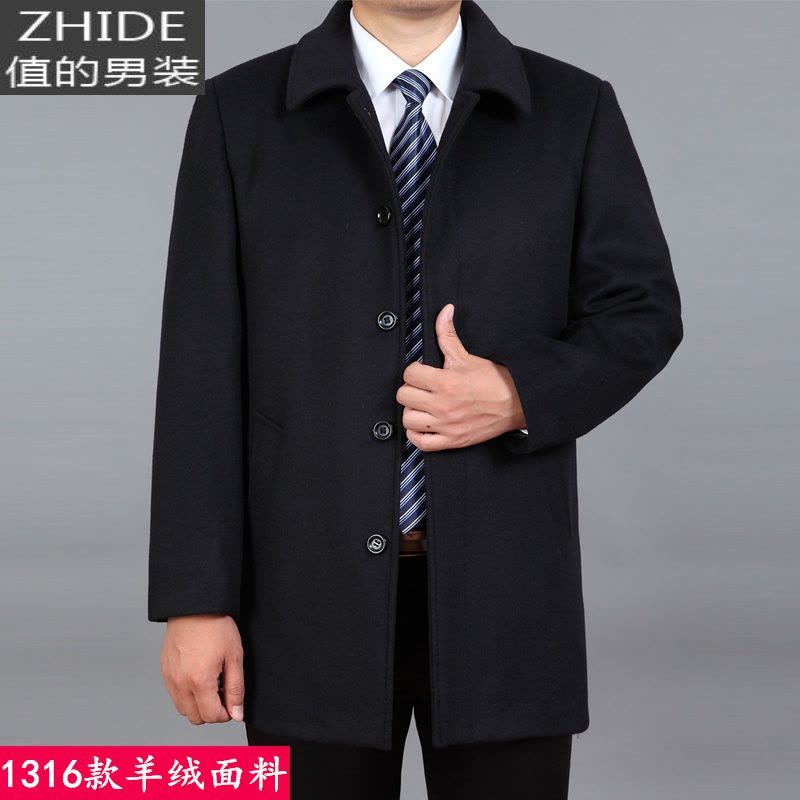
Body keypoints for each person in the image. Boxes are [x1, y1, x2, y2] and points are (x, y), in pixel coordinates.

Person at [148, 1, 683, 797]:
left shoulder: (573, 109)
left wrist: (518, 393)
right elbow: (200, 367)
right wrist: (195, 602)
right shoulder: (239, 112)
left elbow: (641, 312)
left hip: (506, 592)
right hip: (302, 595)